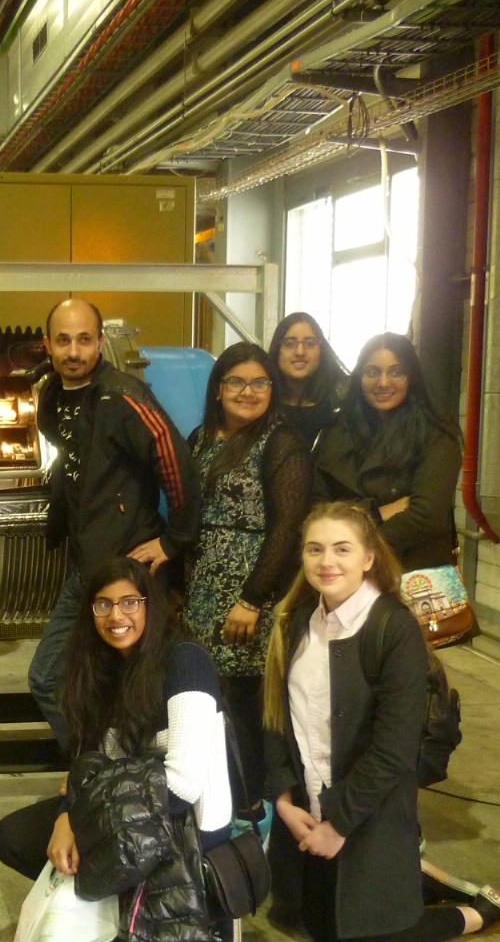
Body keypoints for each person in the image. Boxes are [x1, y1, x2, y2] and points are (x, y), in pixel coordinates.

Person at [261, 501, 500, 942]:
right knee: (303, 921)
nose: (327, 561)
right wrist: (282, 798)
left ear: (368, 558)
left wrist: (338, 825)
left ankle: (475, 913)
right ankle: (416, 877)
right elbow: (276, 718)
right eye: (315, 549)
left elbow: (394, 750)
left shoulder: (393, 629)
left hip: (367, 810)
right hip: (309, 807)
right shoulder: (296, 621)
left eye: (342, 549)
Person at [0, 557, 231, 942]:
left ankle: (163, 920)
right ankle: (114, 917)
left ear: (150, 605)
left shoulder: (185, 661)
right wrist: (67, 814)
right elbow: (87, 762)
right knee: (14, 837)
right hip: (125, 806)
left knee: (98, 856)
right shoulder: (98, 667)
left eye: (129, 602)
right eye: (103, 605)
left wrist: (91, 811)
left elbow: (183, 783)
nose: (116, 616)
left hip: (185, 825)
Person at [28, 299, 200, 749]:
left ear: (101, 342)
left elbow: (175, 460)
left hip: (127, 568)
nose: (74, 351)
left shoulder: (123, 395)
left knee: (87, 681)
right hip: (86, 565)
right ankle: (100, 766)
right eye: (63, 340)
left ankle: (112, 767)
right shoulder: (53, 392)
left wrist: (174, 540)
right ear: (48, 345)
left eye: (84, 339)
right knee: (66, 679)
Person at [183, 342, 312, 805]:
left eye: (260, 382)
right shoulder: (201, 437)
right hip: (202, 591)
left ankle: (252, 805)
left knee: (245, 706)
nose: (248, 391)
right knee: (207, 700)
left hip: (249, 595)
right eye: (236, 381)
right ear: (218, 389)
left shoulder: (282, 443)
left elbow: (287, 529)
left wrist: (252, 599)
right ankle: (213, 798)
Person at [314, 332, 463, 571]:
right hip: (342, 575)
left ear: (411, 377)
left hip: (411, 573)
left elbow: (427, 516)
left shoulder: (435, 432)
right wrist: (379, 512)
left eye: (396, 372)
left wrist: (358, 550)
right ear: (360, 377)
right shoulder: (335, 430)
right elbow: (318, 508)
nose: (383, 382)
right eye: (372, 372)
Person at [267, 312, 345, 451]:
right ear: (277, 350)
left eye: (310, 343)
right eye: (289, 343)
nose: (300, 352)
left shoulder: (344, 399)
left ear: (321, 350)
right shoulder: (262, 400)